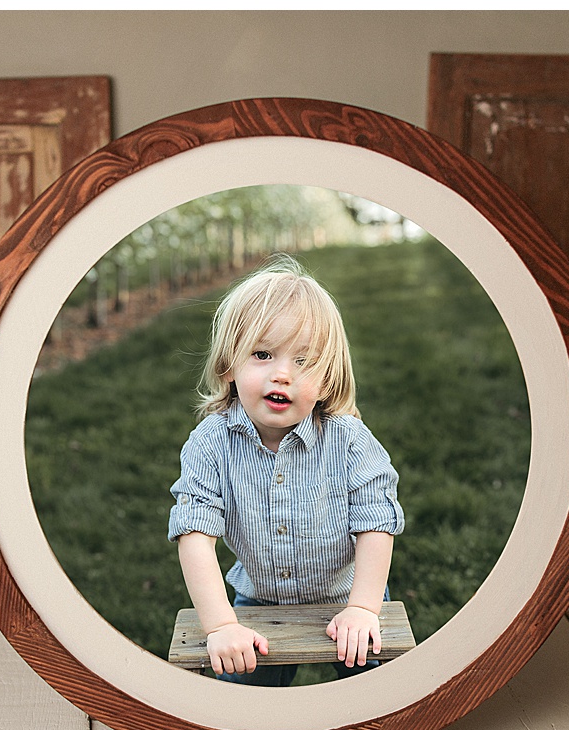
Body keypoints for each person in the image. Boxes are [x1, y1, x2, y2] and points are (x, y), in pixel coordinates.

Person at [167, 254, 404, 686]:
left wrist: (363, 607)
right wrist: (222, 625)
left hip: (346, 595)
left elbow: (375, 524)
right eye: (262, 354)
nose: (282, 374)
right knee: (240, 701)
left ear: (328, 379)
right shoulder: (210, 443)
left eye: (304, 361)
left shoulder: (349, 440)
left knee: (379, 692)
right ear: (228, 366)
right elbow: (194, 536)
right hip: (257, 600)